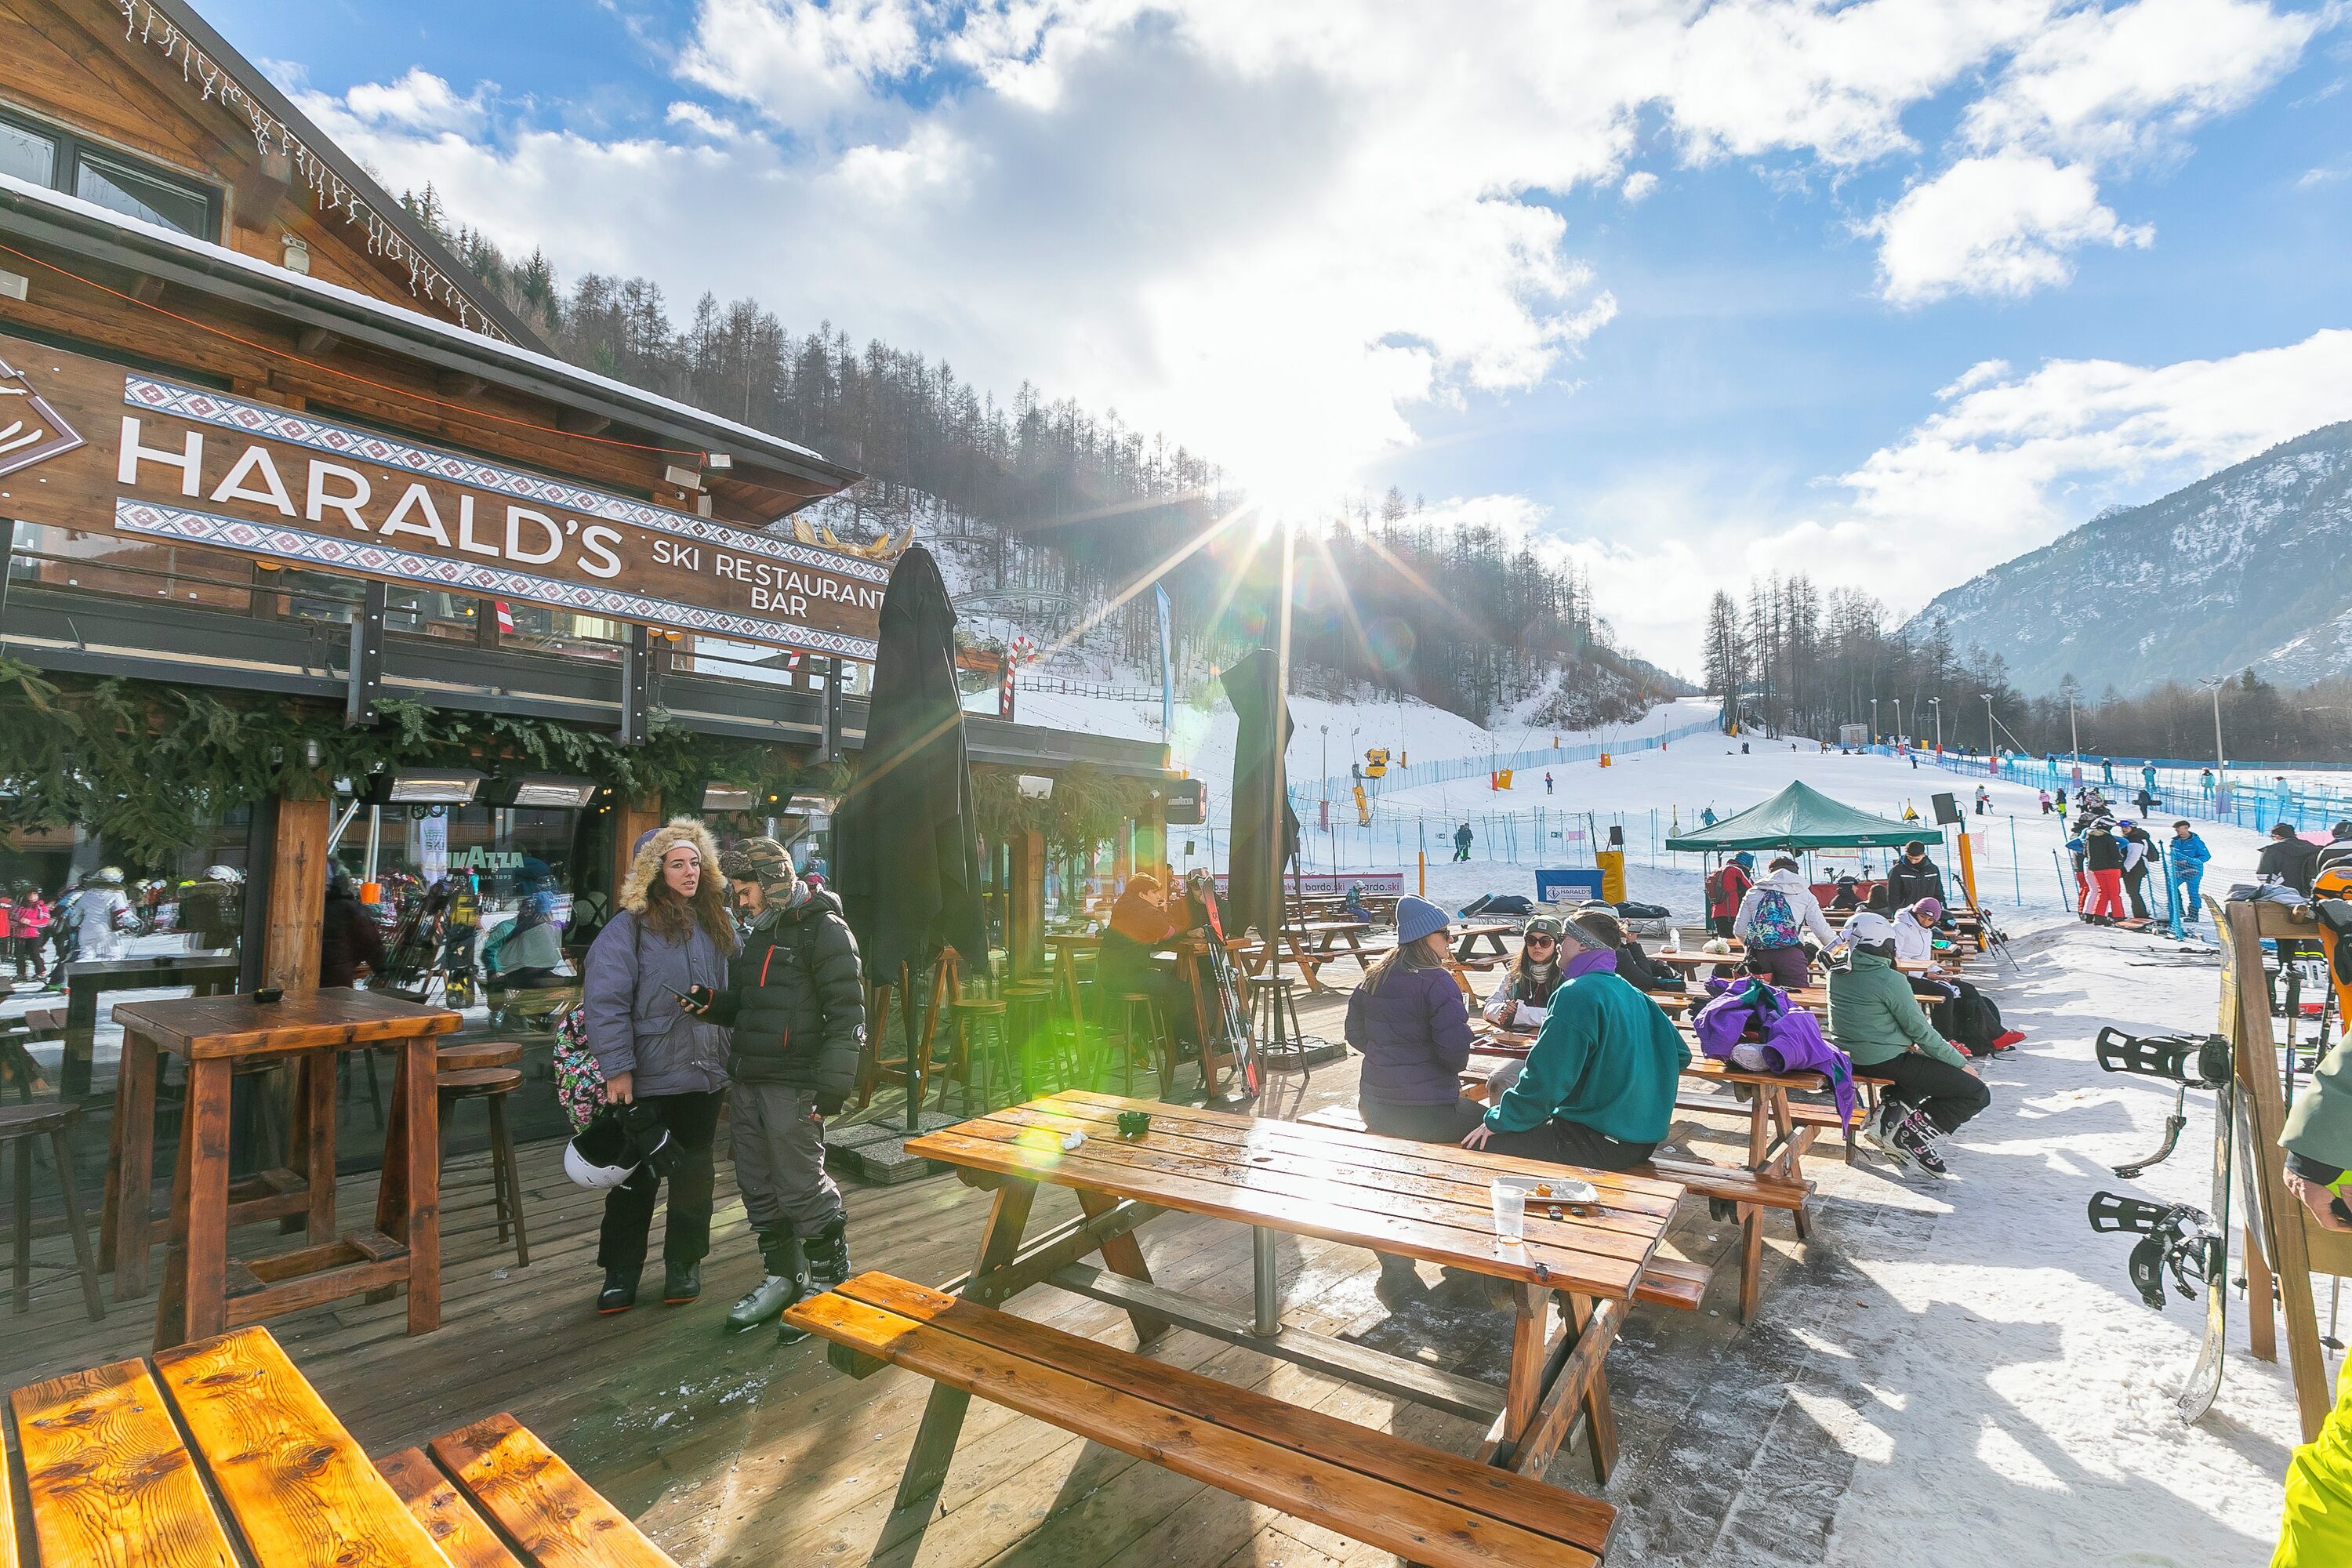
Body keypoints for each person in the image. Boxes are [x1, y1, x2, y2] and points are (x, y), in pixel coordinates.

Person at [685, 837, 866, 1341]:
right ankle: (782, 1278)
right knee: (757, 1185)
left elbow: (848, 1011)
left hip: (795, 1083)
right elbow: (748, 1002)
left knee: (800, 1184)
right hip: (748, 1078)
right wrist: (712, 1004)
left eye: (746, 892)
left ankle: (829, 1282)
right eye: (738, 894)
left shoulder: (825, 931)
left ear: (772, 882)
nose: (740, 903)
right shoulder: (760, 934)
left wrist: (834, 1084)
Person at [580, 820, 739, 1316]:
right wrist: (618, 1070)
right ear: (655, 871)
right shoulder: (628, 926)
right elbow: (605, 1002)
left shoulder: (721, 921)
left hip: (706, 1073)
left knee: (694, 1175)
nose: (689, 873)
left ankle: (684, 1265)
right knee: (635, 1177)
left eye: (695, 862)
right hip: (647, 1075)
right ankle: (621, 1273)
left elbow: (739, 993)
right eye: (677, 864)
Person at [1463, 912, 1688, 1171]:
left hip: (1597, 1141)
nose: (1559, 944)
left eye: (1563, 937)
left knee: (1480, 1143)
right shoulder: (1633, 992)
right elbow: (1680, 1053)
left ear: (1582, 944)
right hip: (1641, 1141)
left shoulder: (1576, 993)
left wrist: (1498, 1120)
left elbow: (1546, 1079)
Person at [1826, 912, 1989, 1175]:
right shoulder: (1890, 979)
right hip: (1881, 1060)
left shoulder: (1838, 971)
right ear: (1883, 944)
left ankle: (1886, 1121)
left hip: (1849, 1055)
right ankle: (1911, 1135)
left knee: (1921, 1072)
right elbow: (1921, 1032)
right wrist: (1960, 1064)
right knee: (1976, 1092)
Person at [1348, 894, 1483, 1148]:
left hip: (1374, 1109)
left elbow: (1354, 1032)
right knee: (1494, 1125)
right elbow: (1455, 1056)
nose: (1450, 939)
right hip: (1428, 1113)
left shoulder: (1373, 977)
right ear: (1423, 937)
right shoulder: (1438, 981)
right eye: (1444, 933)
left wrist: (1387, 1052)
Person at [1889, 898, 2018, 1055]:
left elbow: (1924, 959)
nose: (1925, 921)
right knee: (1945, 993)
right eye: (1923, 916)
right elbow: (1895, 960)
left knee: (1966, 989)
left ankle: (1995, 1034)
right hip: (1904, 976)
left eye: (1930, 920)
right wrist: (1925, 974)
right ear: (1916, 912)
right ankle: (1945, 1038)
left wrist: (1939, 972)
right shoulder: (1899, 928)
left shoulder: (1927, 931)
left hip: (1923, 973)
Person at [1733, 856, 1835, 989]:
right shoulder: (1804, 893)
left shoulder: (1753, 892)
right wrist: (1836, 950)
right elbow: (1821, 930)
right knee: (1797, 1000)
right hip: (1791, 954)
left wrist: (1749, 948)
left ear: (1770, 872)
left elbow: (1739, 930)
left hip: (1759, 956)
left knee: (1761, 1000)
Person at [318, 873, 387, 988]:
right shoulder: (352, 909)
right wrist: (382, 969)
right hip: (339, 974)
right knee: (337, 1003)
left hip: (317, 968)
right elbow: (370, 941)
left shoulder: (322, 906)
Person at [2082, 820, 2127, 924]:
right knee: (2115, 894)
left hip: (2095, 869)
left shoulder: (2089, 837)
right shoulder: (2108, 838)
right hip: (2111, 868)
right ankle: (2119, 916)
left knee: (2102, 893)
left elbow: (2085, 853)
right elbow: (2115, 855)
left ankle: (2099, 917)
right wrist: (2120, 858)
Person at [1884, 841, 1948, 913]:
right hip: (1906, 911)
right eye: (1910, 858)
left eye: (1917, 859)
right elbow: (1893, 895)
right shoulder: (1897, 870)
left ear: (1923, 855)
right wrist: (1897, 912)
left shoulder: (1933, 870)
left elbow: (1938, 891)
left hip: (1928, 911)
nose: (1913, 861)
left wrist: (1941, 907)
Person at [2262, 821, 2322, 897]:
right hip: (2309, 893)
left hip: (2281, 894)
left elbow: (2263, 874)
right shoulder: (2313, 848)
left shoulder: (2272, 850)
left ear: (2277, 836)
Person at [2169, 821, 2212, 927]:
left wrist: (2189, 861)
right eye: (2176, 829)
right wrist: (2174, 861)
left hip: (2193, 870)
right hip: (2178, 870)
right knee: (2172, 887)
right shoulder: (2175, 841)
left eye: (2179, 829)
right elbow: (2173, 854)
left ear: (2186, 828)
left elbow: (2205, 856)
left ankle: (2193, 914)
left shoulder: (2196, 842)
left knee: (2193, 892)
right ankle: (2178, 910)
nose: (2178, 831)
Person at [1704, 852, 1754, 939]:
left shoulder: (1721, 870)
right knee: (1735, 943)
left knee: (1724, 943)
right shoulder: (1738, 870)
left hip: (1718, 911)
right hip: (1731, 913)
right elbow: (1752, 889)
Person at [8, 884, 46, 982]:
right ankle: (21, 973)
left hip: (33, 933)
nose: (32, 896)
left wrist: (30, 922)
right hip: (19, 933)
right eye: (30, 894)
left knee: (34, 953)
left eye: (34, 894)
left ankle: (40, 972)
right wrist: (16, 922)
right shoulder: (20, 907)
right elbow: (12, 917)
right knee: (19, 954)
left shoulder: (40, 907)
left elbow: (45, 921)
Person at [2119, 822, 2158, 920]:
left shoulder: (2135, 840)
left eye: (2127, 827)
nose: (2124, 829)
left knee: (2133, 891)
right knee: (2132, 891)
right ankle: (2140, 913)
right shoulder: (2134, 838)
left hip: (2135, 868)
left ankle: (2140, 914)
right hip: (2136, 868)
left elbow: (2133, 856)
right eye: (2123, 827)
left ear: (2133, 828)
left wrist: (2125, 869)